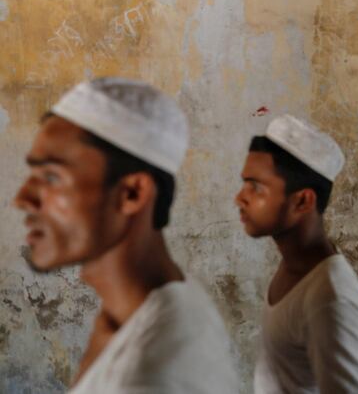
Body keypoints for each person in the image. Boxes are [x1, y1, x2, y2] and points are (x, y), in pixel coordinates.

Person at [14, 77, 238, 393]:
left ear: (132, 192)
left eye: (52, 176)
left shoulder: (152, 375)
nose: (22, 199)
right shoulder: (140, 307)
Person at [236, 114, 358, 393]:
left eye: (257, 187)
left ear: (302, 200)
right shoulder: (295, 265)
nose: (240, 197)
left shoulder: (330, 298)